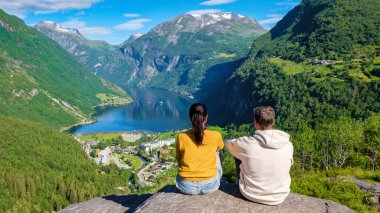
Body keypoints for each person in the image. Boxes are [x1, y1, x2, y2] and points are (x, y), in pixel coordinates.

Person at [225, 106, 293, 205]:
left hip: (250, 194)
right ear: (273, 122)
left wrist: (238, 141)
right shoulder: (288, 145)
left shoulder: (246, 144)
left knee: (238, 153)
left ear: (255, 123)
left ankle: (244, 182)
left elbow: (228, 144)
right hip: (279, 196)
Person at [176, 103, 224, 195]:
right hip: (210, 185)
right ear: (206, 118)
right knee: (217, 152)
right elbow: (221, 147)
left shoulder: (181, 136)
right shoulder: (216, 135)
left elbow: (178, 159)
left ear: (191, 118)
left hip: (185, 186)